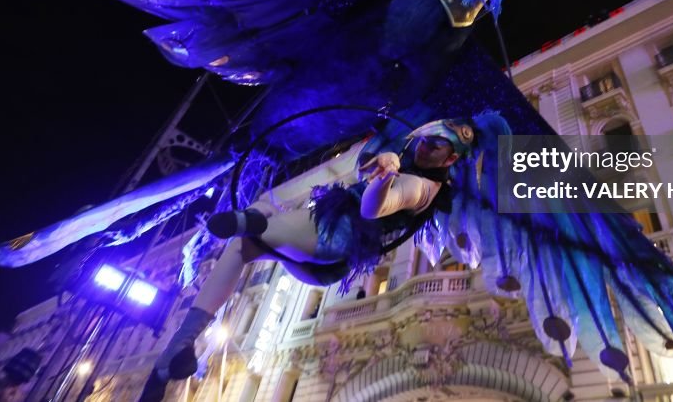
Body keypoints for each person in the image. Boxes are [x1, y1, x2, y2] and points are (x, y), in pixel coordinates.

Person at [139, 118, 477, 401]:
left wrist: (385, 177)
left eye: (437, 146)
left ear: (450, 160)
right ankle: (173, 356)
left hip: (331, 238)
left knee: (259, 218)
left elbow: (373, 207)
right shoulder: (404, 155)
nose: (426, 146)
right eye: (427, 138)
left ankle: (251, 223)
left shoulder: (423, 188)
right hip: (319, 261)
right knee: (242, 249)